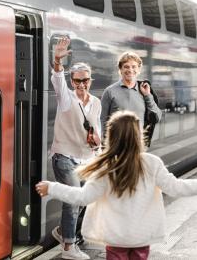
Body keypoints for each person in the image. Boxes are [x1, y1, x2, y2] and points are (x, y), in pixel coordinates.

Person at [37, 110, 197, 260]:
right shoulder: (152, 163)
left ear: (112, 137)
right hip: (141, 238)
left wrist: (52, 187)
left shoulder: (106, 167)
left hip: (116, 239)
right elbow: (176, 187)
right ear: (138, 136)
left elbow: (82, 197)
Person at [49, 37, 101, 260]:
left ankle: (62, 232)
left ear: (90, 80)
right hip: (64, 157)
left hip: (87, 159)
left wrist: (98, 146)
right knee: (73, 199)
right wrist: (58, 62)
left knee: (84, 201)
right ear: (71, 81)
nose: (81, 85)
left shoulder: (96, 102)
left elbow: (97, 133)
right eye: (77, 81)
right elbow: (57, 78)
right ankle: (69, 247)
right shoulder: (66, 98)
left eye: (85, 81)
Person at [100, 51, 161, 138]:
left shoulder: (145, 91)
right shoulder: (109, 92)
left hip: (138, 145)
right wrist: (105, 145)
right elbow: (103, 121)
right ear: (120, 69)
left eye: (134, 67)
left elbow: (157, 117)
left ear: (139, 70)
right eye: (126, 67)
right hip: (116, 145)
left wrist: (147, 96)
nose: (130, 70)